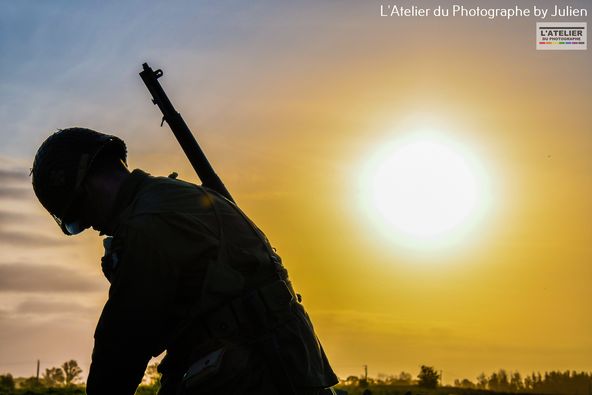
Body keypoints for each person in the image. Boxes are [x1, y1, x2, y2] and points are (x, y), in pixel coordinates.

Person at [31, 127, 338, 395]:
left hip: (252, 379)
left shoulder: (148, 225)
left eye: (78, 215)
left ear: (89, 187)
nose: (91, 227)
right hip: (281, 373)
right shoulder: (176, 197)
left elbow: (123, 344)